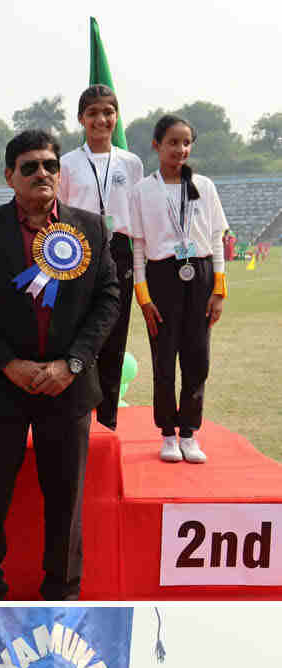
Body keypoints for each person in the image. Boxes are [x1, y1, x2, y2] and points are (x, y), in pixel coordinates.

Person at [0, 129, 120, 600]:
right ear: (10, 176)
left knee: (66, 501)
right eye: (30, 167)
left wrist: (74, 364)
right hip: (1, 385)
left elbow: (108, 300)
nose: (41, 173)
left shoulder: (91, 227)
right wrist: (7, 363)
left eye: (49, 165)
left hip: (69, 387)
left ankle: (62, 591)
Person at [130, 116, 227, 464]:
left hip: (200, 275)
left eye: (186, 143)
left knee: (197, 358)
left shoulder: (205, 186)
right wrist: (144, 298)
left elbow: (215, 239)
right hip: (161, 276)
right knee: (165, 360)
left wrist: (219, 290)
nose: (180, 149)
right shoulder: (143, 190)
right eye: (173, 142)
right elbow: (138, 247)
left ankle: (189, 432)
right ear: (157, 145)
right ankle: (167, 433)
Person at [58, 86, 143, 429]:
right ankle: (76, 418)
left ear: (116, 117)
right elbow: (58, 213)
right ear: (81, 119)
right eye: (93, 113)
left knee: (113, 335)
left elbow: (136, 217)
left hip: (119, 251)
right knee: (77, 334)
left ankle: (107, 422)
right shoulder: (67, 164)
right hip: (76, 250)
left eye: (108, 112)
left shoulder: (131, 163)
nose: (101, 120)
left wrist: (141, 271)